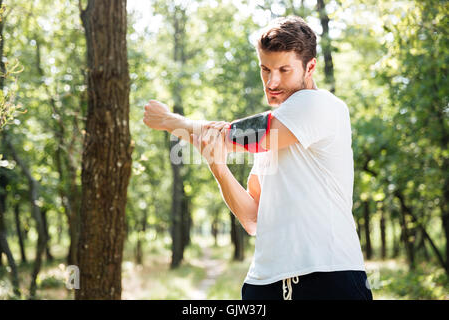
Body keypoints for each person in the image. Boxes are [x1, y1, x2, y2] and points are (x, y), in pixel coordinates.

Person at [143, 16, 373, 300]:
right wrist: (219, 168)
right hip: (265, 283)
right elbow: (252, 218)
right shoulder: (274, 141)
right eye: (265, 69)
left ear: (310, 67)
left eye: (284, 70)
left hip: (327, 278)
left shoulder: (320, 105)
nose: (272, 81)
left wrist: (170, 121)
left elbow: (234, 135)